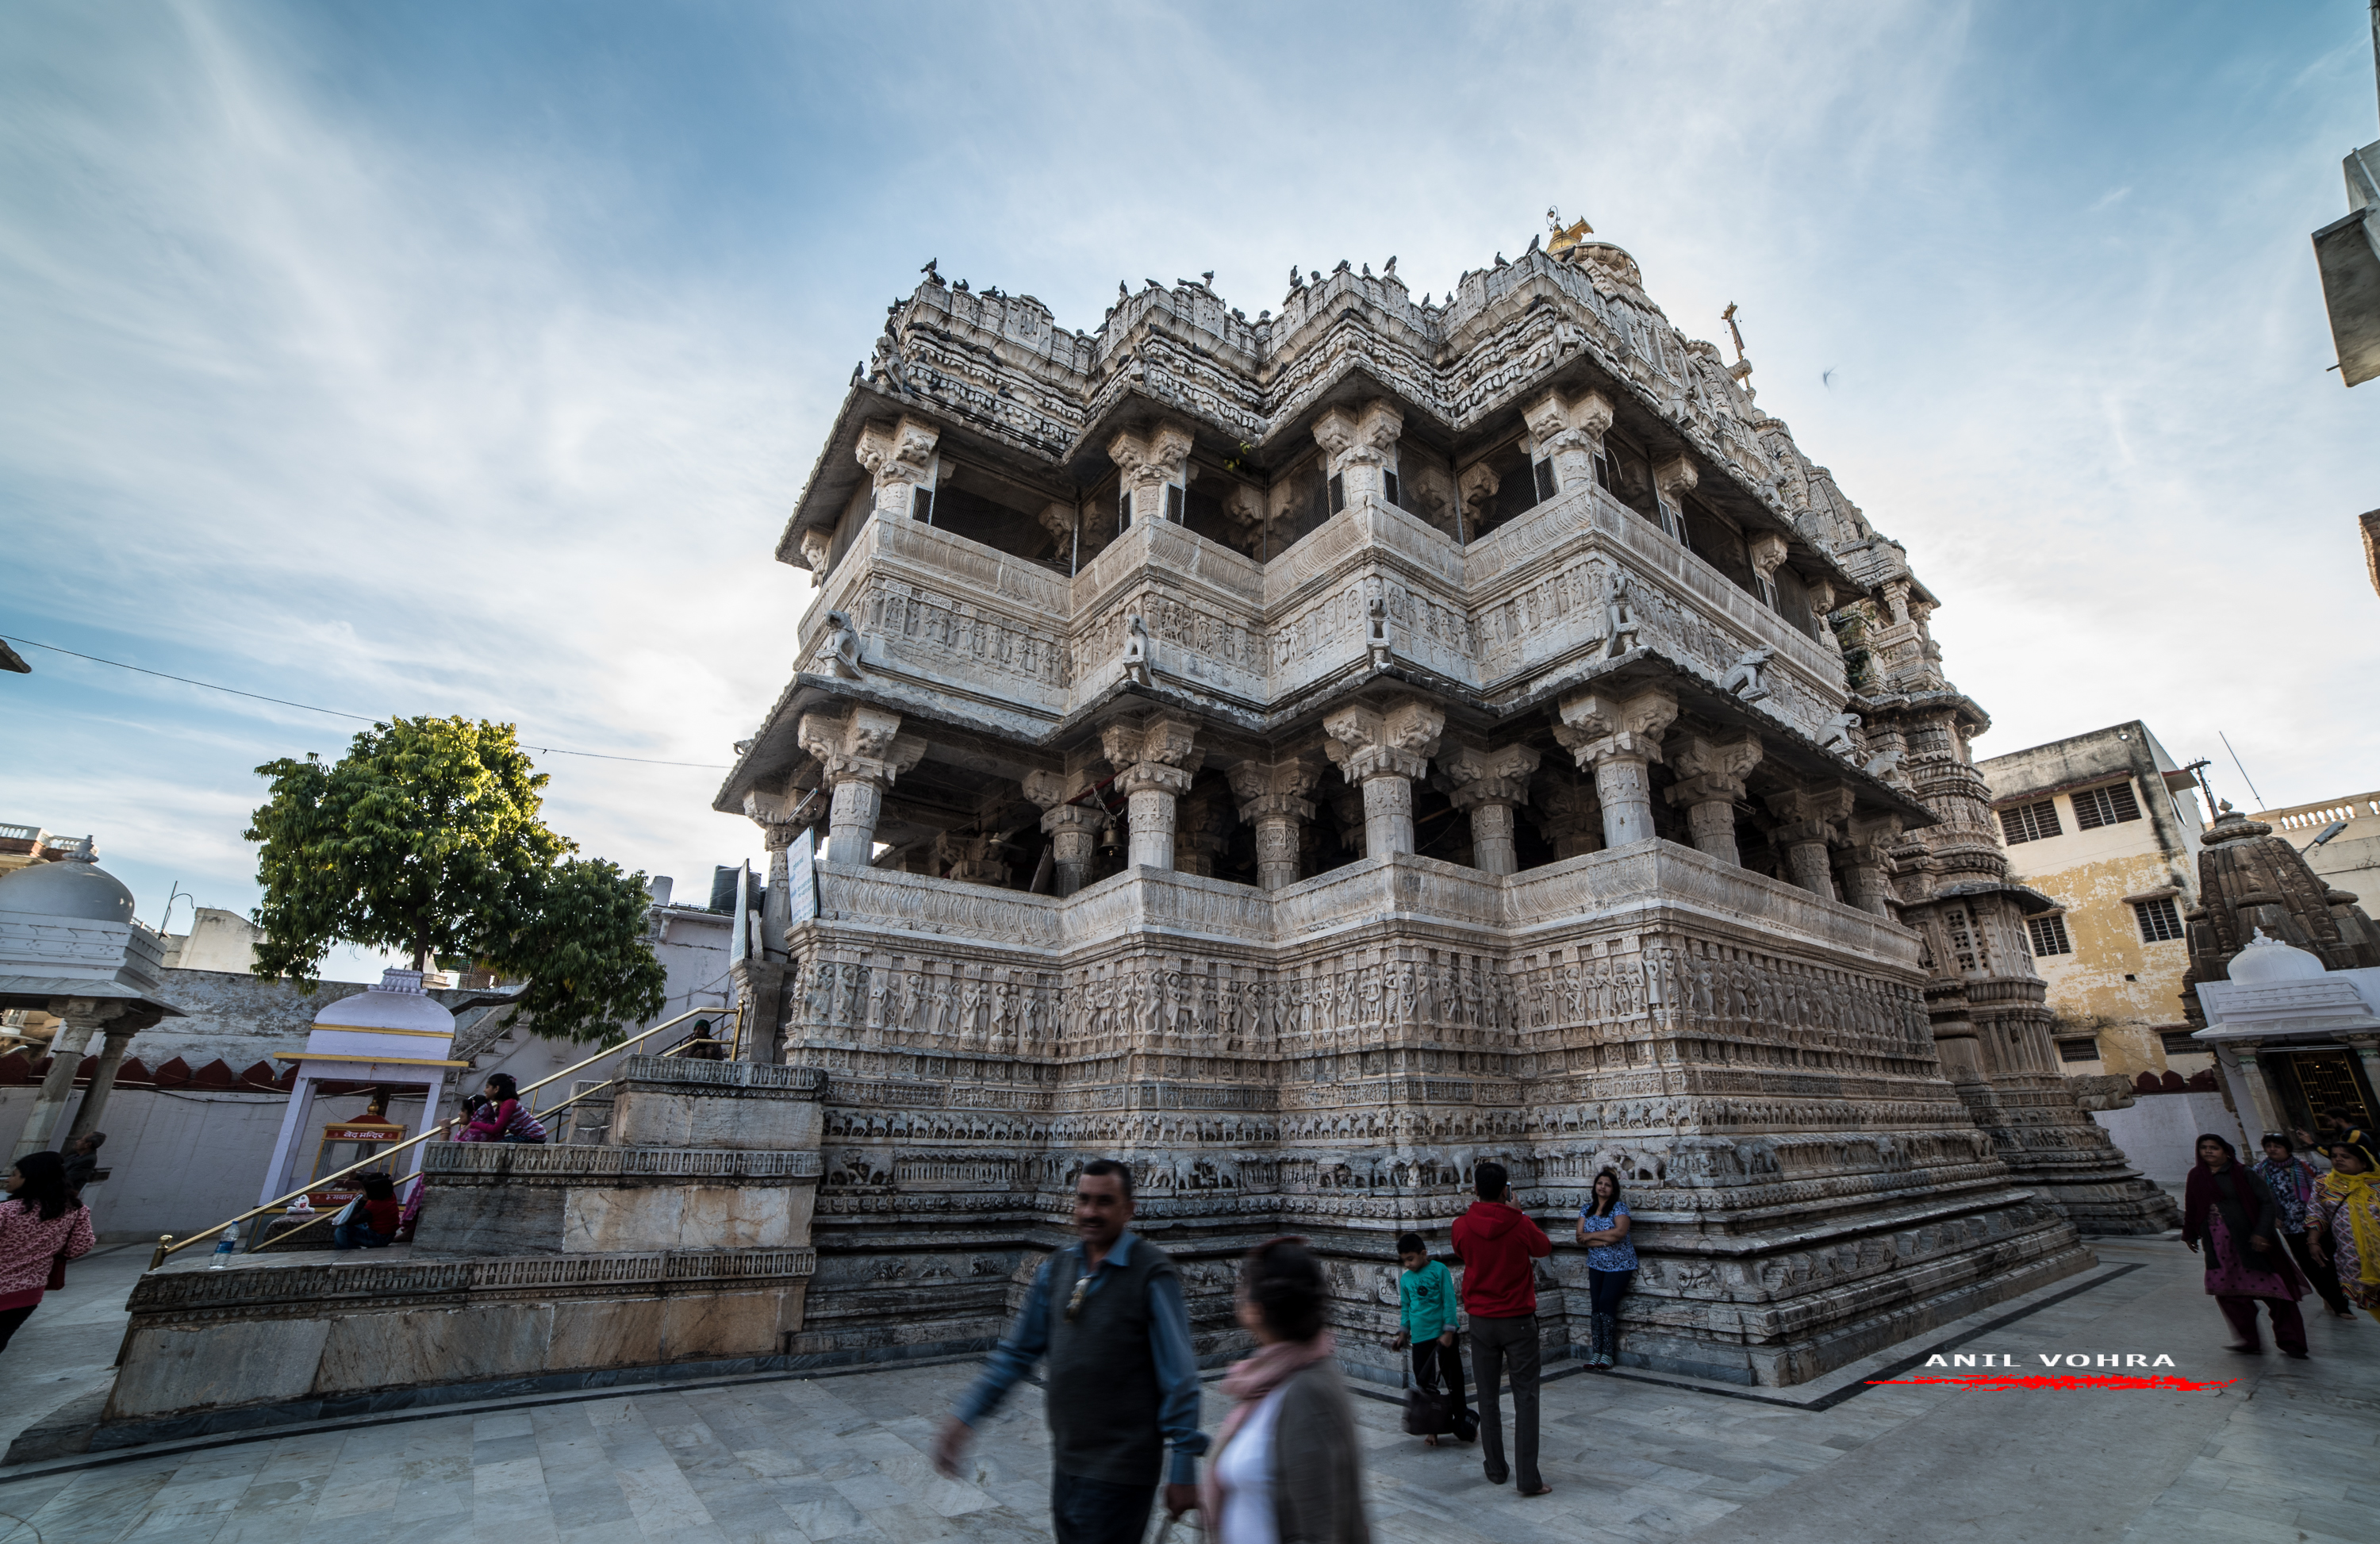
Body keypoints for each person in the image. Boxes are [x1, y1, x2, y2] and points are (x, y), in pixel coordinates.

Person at [933, 1160, 1205, 1544]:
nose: (1091, 1212)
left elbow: (1180, 1378)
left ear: (1129, 1209)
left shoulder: (1151, 1273)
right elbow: (1017, 1353)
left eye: (1105, 1202)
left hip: (1121, 1471)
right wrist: (966, 1416)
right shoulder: (1057, 1269)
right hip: (1068, 1463)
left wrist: (1183, 1467)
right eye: (1084, 1200)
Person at [1202, 1237, 1370, 1544]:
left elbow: (1319, 1528)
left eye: (1244, 1284)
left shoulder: (1308, 1391)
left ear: (1258, 1309)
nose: (1237, 1293)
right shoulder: (1267, 1378)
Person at [1452, 1161, 1552, 1496]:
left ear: (1476, 1189)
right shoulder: (1519, 1224)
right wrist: (1520, 1215)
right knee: (1526, 1397)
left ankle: (1495, 1469)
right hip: (1518, 1321)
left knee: (1487, 1396)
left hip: (1481, 1321)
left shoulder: (1461, 1226)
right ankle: (1528, 1479)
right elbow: (1543, 1249)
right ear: (1505, 1190)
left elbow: (1461, 1250)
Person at [2182, 1132, 2309, 1357]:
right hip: (2219, 1244)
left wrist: (2262, 1233)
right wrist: (2190, 1233)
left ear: (2225, 1151)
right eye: (2204, 1148)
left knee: (2277, 1292)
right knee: (2229, 1293)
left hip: (2250, 1241)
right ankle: (2248, 1339)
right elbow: (2192, 1205)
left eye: (2214, 1148)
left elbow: (2267, 1204)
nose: (2209, 1152)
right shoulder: (2197, 1176)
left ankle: (2292, 1342)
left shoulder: (2242, 1173)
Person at [0, 1151, 97, 1355]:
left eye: (15, 1174)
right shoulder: (75, 1211)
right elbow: (80, 1246)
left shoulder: (6, 1211)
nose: (8, 1178)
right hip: (27, 1295)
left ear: (31, 1179)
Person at [2254, 1132, 2353, 1319]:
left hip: (2317, 1223)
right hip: (2291, 1226)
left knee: (2329, 1263)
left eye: (2277, 1146)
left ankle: (2339, 1302)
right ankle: (2335, 1302)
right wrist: (2270, 1216)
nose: (2272, 1149)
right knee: (2309, 1265)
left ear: (2287, 1149)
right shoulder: (2259, 1171)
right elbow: (2256, 1198)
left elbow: (2325, 1192)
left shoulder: (2306, 1167)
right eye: (2269, 1146)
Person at [1390, 1230, 1472, 1446]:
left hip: (1443, 1337)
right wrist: (1402, 1334)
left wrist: (1448, 1332)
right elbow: (1406, 1309)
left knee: (1454, 1380)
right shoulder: (1406, 1280)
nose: (1407, 1264)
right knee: (1425, 1384)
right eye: (1404, 1261)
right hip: (1420, 1338)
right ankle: (1432, 1428)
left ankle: (1462, 1422)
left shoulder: (1439, 1270)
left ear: (1423, 1253)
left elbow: (1449, 1301)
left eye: (1411, 1258)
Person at [2307, 1127, 2380, 1324]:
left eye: (2345, 1156)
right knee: (2373, 1301)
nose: (2338, 1160)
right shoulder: (2324, 1184)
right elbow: (2316, 1213)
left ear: (2363, 1162)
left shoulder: (2377, 1184)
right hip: (2353, 1255)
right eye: (2334, 1156)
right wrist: (2313, 1241)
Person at [1575, 1168, 1637, 1370]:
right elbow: (1579, 1237)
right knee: (1596, 1306)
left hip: (1620, 1265)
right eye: (1600, 1183)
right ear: (1595, 1186)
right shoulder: (1587, 1209)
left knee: (1606, 1302)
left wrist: (1593, 1237)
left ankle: (1608, 1354)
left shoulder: (1619, 1208)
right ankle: (1597, 1353)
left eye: (1607, 1185)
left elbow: (1619, 1233)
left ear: (1613, 1189)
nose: (1603, 1187)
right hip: (1596, 1264)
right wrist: (1604, 1240)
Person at [467, 1075, 548, 1143]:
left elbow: (495, 1129)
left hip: (534, 1136)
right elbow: (500, 1131)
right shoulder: (501, 1107)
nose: (484, 1090)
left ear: (496, 1089)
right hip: (529, 1135)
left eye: (487, 1087)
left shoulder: (509, 1104)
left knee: (496, 1146)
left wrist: (473, 1124)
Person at [332, 1173, 405, 1250]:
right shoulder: (389, 1195)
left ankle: (349, 1250)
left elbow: (350, 1220)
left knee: (342, 1231)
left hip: (379, 1239)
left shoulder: (373, 1207)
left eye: (363, 1190)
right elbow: (374, 1182)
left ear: (372, 1192)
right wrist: (357, 1176)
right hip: (388, 1234)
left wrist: (361, 1202)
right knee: (359, 1225)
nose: (360, 1191)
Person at [57, 1132, 104, 1196]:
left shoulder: (89, 1160)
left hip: (63, 1194)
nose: (77, 1141)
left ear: (87, 1144)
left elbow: (68, 1177)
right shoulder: (73, 1156)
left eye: (81, 1140)